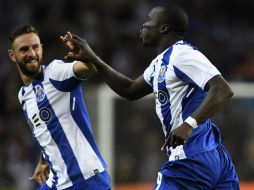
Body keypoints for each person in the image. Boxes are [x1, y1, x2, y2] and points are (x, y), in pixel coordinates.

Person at [61, 4, 240, 190]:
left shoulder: (182, 54)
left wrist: (189, 124)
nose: (143, 26)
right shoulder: (159, 64)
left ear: (163, 28)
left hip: (191, 159)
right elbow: (129, 89)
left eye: (148, 20)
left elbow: (223, 89)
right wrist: (94, 59)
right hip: (212, 157)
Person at [8, 25, 111, 190]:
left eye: (35, 47)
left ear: (41, 48)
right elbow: (49, 128)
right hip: (58, 180)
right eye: (24, 49)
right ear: (13, 56)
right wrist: (44, 160)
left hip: (86, 180)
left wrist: (85, 56)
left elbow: (89, 68)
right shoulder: (23, 95)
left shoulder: (55, 73)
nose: (32, 54)